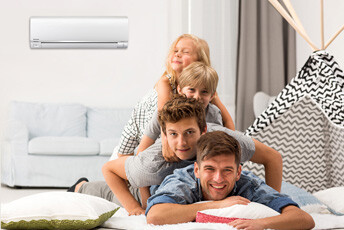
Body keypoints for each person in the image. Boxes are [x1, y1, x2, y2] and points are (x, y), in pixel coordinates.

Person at [71, 96, 282, 216]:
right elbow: (109, 168)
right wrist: (135, 208)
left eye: (190, 133)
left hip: (188, 193)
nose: (182, 143)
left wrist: (266, 208)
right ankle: (80, 185)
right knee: (101, 193)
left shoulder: (228, 143)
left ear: (204, 130)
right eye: (173, 134)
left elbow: (273, 158)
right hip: (141, 189)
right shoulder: (150, 164)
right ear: (163, 135)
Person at [146, 131, 315, 229]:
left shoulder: (249, 185)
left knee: (310, 200)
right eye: (210, 169)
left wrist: (261, 224)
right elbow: (155, 216)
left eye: (227, 170)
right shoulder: (183, 181)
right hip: (146, 183)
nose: (218, 179)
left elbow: (305, 219)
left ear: (238, 172)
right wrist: (218, 204)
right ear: (197, 170)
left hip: (284, 189)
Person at [113, 34, 234, 159]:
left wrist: (232, 147)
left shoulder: (204, 89)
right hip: (139, 125)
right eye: (175, 51)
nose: (177, 54)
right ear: (180, 90)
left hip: (154, 131)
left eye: (185, 52)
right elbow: (162, 118)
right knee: (123, 159)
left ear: (199, 61)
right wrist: (166, 145)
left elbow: (227, 120)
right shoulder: (166, 82)